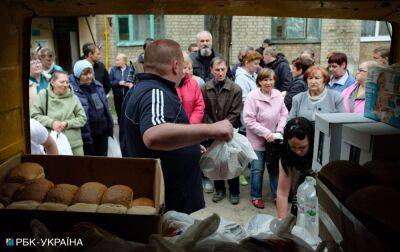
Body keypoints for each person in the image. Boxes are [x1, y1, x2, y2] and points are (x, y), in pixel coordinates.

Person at [120, 39, 233, 214]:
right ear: (175, 65)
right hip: (170, 199)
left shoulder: (141, 88)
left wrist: (191, 143)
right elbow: (153, 135)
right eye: (182, 65)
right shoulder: (155, 92)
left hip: (165, 194)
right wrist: (212, 129)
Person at [243, 68, 288, 209]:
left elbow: (284, 114)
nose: (268, 82)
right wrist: (266, 133)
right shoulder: (252, 96)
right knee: (257, 169)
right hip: (257, 140)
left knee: (274, 168)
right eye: (265, 79)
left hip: (275, 140)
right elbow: (248, 120)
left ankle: (277, 196)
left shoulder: (278, 95)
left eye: (271, 79)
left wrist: (279, 130)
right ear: (259, 82)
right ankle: (256, 196)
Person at [202, 57, 243, 205]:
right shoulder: (205, 88)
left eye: (223, 69)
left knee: (231, 161)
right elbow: (203, 111)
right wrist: (213, 129)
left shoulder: (235, 89)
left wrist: (223, 128)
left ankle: (234, 191)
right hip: (212, 133)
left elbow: (235, 112)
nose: (220, 72)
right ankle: (219, 190)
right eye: (217, 70)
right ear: (212, 70)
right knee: (216, 162)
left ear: (227, 69)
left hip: (228, 132)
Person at [31, 71, 87, 155]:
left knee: (78, 167)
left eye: (67, 82)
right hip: (52, 144)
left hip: (75, 144)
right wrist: (52, 123)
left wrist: (67, 123)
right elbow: (34, 116)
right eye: (62, 82)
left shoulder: (73, 97)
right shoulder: (43, 95)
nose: (65, 85)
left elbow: (82, 118)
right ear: (53, 82)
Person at [69, 60, 114, 156]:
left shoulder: (98, 85)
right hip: (87, 134)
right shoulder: (72, 90)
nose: (89, 76)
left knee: (103, 161)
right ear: (78, 75)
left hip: (102, 131)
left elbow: (104, 106)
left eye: (90, 73)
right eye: (85, 74)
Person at [276, 117, 315, 219]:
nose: (298, 152)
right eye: (293, 147)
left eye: (302, 147)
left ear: (311, 141)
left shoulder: (319, 152)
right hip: (299, 196)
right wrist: (282, 222)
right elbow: (282, 193)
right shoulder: (286, 153)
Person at [176, 52, 205, 124]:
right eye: (181, 67)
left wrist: (191, 124)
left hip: (192, 128)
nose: (184, 71)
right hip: (174, 129)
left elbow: (199, 106)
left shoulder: (194, 83)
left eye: (185, 67)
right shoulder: (169, 84)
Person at [109, 53, 133, 125]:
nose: (116, 61)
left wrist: (130, 84)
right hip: (118, 97)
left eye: (118, 60)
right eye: (116, 60)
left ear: (124, 61)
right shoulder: (113, 70)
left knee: (129, 115)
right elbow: (110, 82)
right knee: (119, 115)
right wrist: (119, 83)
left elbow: (134, 80)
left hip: (129, 96)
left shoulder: (130, 69)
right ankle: (121, 132)